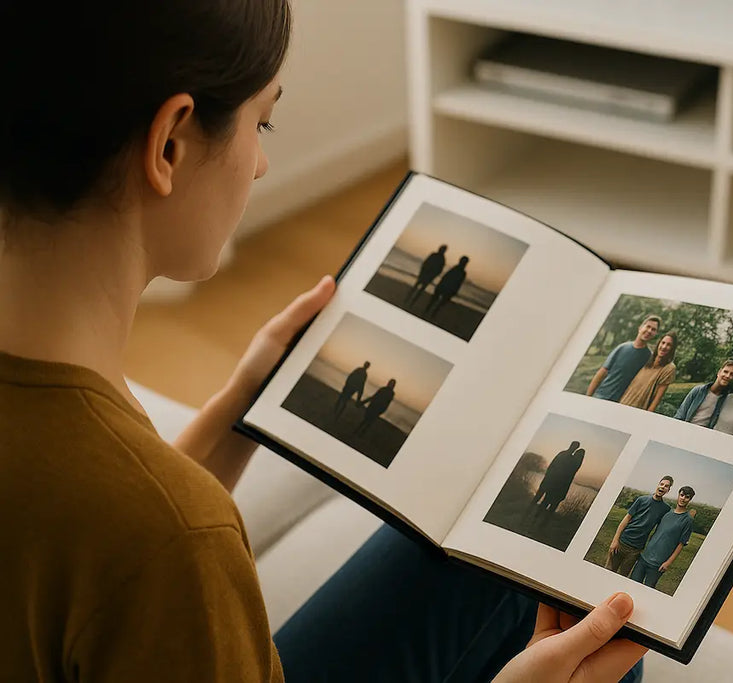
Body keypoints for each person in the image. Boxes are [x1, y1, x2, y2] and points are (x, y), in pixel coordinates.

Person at [0, 3, 646, 682]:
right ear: (169, 145)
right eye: (262, 121)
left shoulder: (94, 480)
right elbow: (138, 540)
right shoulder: (177, 541)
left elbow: (87, 551)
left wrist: (238, 408)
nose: (260, 163)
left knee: (504, 565)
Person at [604, 476, 674, 577]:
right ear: (658, 485)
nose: (663, 487)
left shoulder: (665, 509)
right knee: (607, 572)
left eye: (666, 486)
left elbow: (658, 531)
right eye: (661, 484)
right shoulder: (641, 500)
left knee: (622, 576)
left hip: (635, 550)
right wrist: (615, 540)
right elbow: (626, 519)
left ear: (668, 490)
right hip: (621, 543)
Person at [629, 487, 695, 590]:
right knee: (631, 585)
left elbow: (681, 544)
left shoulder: (688, 520)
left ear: (690, 500)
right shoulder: (667, 513)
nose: (683, 499)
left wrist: (668, 562)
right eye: (682, 495)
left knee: (647, 591)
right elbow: (656, 532)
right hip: (644, 558)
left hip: (658, 565)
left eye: (687, 497)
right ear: (678, 495)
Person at [587, 315, 661, 402]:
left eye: (653, 329)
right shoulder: (622, 348)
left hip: (623, 402)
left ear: (655, 334)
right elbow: (602, 372)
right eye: (648, 326)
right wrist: (588, 397)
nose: (649, 331)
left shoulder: (649, 357)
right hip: (601, 396)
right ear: (640, 328)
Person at [618, 332, 678, 412]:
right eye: (663, 343)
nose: (664, 347)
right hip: (623, 401)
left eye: (669, 345)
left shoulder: (669, 368)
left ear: (672, 349)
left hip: (638, 409)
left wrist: (648, 414)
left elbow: (657, 398)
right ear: (659, 343)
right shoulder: (647, 357)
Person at [673, 360, 733, 428]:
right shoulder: (698, 390)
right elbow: (680, 414)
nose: (727, 376)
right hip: (686, 428)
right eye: (725, 372)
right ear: (719, 372)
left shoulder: (726, 400)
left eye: (732, 374)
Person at [424, 255, 469, 319]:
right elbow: (456, 282)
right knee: (437, 302)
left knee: (435, 301)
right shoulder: (460, 271)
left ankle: (429, 312)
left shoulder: (458, 270)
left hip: (446, 287)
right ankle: (431, 313)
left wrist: (441, 284)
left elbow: (447, 277)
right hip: (447, 288)